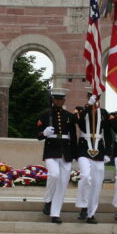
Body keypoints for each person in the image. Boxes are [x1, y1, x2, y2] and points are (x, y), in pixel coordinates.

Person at [35, 88, 77, 224]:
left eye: (61, 99)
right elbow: (37, 135)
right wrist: (44, 133)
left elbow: (73, 137)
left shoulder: (69, 116)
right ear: (53, 100)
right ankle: (48, 200)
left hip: (65, 152)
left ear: (64, 100)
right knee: (54, 175)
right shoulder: (45, 115)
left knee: (63, 183)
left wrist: (75, 154)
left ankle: (55, 213)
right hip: (51, 150)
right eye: (56, 99)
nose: (58, 101)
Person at [73, 93, 109, 224]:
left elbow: (109, 131)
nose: (96, 100)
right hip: (83, 148)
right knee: (86, 176)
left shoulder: (104, 113)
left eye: (97, 98)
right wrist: (89, 105)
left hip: (99, 150)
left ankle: (91, 213)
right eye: (94, 98)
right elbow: (78, 120)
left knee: (97, 183)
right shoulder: (81, 109)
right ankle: (83, 206)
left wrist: (108, 153)